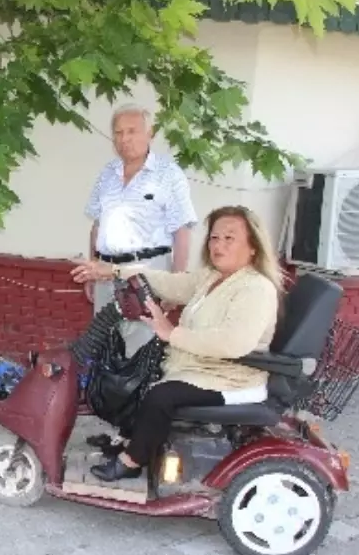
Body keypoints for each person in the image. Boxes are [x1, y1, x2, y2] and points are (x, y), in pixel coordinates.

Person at [69, 205, 283, 482]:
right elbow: (167, 282)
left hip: (231, 378)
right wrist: (113, 271)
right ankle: (129, 436)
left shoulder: (256, 288)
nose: (218, 245)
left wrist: (171, 333)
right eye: (214, 238)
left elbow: (233, 342)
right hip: (201, 367)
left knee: (161, 396)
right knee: (138, 368)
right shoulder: (213, 277)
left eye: (229, 238)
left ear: (253, 247)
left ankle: (132, 461)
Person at [83, 104, 199, 356]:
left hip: (146, 274)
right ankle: (104, 397)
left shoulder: (169, 175)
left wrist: (175, 284)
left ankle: (139, 397)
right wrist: (92, 267)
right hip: (105, 274)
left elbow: (181, 231)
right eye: (118, 132)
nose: (124, 139)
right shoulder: (107, 174)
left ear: (150, 134)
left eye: (132, 131)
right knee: (105, 349)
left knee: (141, 351)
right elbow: (97, 225)